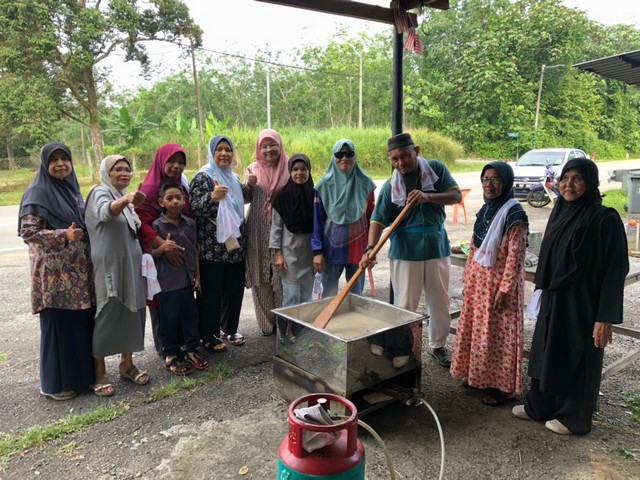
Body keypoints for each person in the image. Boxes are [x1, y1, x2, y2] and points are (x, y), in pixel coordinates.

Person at [512, 158, 628, 435]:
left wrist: (605, 316)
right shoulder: (560, 210)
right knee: (546, 350)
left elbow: (616, 269)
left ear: (590, 182)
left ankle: (574, 417)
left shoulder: (604, 218)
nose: (568, 184)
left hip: (584, 302)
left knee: (579, 355)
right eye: (565, 178)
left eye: (577, 179)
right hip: (555, 297)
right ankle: (540, 406)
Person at [360, 133, 462, 367]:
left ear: (416, 151)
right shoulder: (390, 185)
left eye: (405, 156)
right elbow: (377, 220)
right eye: (394, 159)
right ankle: (402, 348)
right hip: (406, 251)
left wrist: (427, 196)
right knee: (405, 304)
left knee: (440, 302)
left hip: (436, 246)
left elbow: (455, 195)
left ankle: (437, 346)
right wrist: (370, 248)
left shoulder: (435, 169)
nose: (400, 163)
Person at [18, 142, 96, 400]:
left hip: (77, 274)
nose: (61, 164)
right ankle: (55, 384)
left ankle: (81, 379)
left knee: (78, 324)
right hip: (54, 276)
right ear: (45, 164)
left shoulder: (72, 189)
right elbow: (28, 232)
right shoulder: (37, 192)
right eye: (54, 160)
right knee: (59, 326)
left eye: (65, 158)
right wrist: (64, 234)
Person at [450, 162, 529, 405]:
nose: (489, 184)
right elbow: (475, 247)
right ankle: (479, 378)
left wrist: (505, 289)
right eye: (485, 179)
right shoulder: (486, 210)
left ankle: (503, 388)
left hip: (498, 288)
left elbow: (516, 256)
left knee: (499, 337)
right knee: (479, 332)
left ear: (506, 182)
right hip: (479, 286)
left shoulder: (514, 215)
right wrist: (468, 277)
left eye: (495, 179)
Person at [85, 155, 150, 393]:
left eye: (127, 169)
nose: (124, 173)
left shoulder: (122, 197)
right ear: (106, 173)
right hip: (110, 266)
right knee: (107, 313)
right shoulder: (100, 192)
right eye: (118, 169)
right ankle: (99, 373)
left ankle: (127, 364)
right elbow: (105, 213)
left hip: (130, 265)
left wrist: (128, 200)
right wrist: (127, 199)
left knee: (132, 311)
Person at [190, 135, 256, 349]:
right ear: (212, 152)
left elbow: (242, 198)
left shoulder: (233, 178)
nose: (224, 153)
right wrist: (212, 197)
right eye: (219, 149)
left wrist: (250, 185)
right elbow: (193, 208)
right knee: (211, 293)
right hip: (212, 247)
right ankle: (208, 335)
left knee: (234, 290)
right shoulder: (203, 177)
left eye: (228, 149)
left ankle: (230, 329)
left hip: (235, 246)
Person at [136, 143, 190, 355]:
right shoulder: (150, 189)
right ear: (161, 161)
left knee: (179, 298)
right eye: (172, 161)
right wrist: (162, 245)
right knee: (160, 299)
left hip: (177, 247)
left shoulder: (179, 184)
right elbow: (140, 221)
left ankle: (180, 344)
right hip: (158, 250)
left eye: (181, 162)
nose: (177, 166)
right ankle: (166, 349)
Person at [152, 181, 208, 375]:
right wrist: (162, 248)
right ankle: (171, 354)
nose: (175, 202)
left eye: (178, 198)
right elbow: (151, 255)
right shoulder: (157, 226)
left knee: (190, 316)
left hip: (187, 280)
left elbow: (194, 252)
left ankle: (192, 349)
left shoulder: (190, 224)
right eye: (170, 198)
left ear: (184, 200)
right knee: (169, 319)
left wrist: (197, 277)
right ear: (161, 202)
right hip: (167, 282)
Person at [312, 139, 376, 297]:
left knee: (356, 297)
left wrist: (371, 249)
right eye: (339, 154)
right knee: (329, 298)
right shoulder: (323, 186)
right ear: (333, 157)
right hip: (331, 251)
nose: (344, 158)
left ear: (355, 156)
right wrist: (317, 251)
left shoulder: (366, 185)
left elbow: (372, 220)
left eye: (349, 154)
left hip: (358, 251)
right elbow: (317, 221)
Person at [245, 129, 289, 335]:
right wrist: (247, 185)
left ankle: (284, 322)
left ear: (279, 146)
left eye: (272, 145)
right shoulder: (252, 169)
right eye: (264, 146)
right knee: (260, 275)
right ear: (258, 149)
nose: (269, 149)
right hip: (257, 228)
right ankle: (266, 324)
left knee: (281, 274)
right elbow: (244, 198)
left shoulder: (289, 167)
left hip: (283, 228)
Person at [269, 153, 315, 341]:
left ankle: (300, 334)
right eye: (295, 169)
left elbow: (320, 227)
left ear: (309, 171)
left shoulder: (315, 195)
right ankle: (284, 335)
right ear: (290, 171)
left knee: (306, 298)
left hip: (309, 254)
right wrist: (278, 254)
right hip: (289, 255)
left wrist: (320, 254)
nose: (299, 173)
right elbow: (276, 228)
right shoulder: (282, 197)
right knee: (291, 297)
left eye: (303, 169)